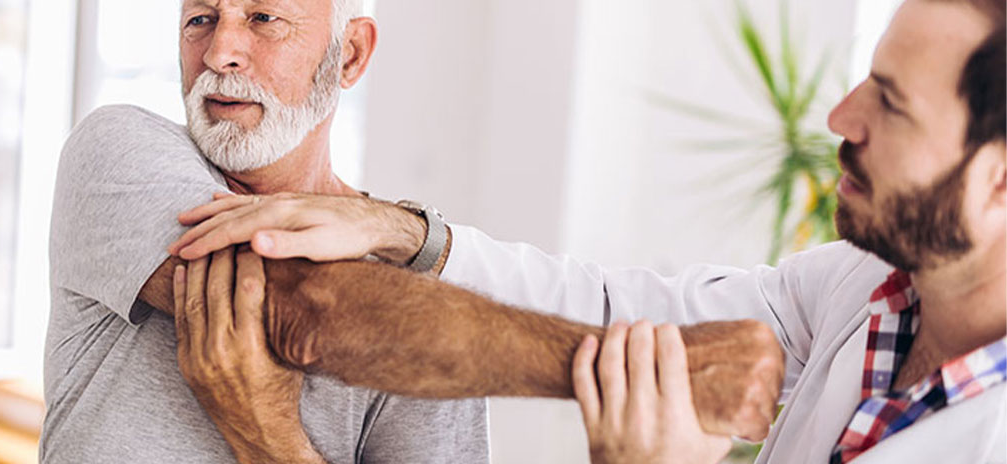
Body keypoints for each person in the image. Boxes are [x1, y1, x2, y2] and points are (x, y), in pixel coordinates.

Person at [165, 0, 1007, 462]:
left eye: (891, 103)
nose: (840, 115)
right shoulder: (862, 288)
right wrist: (405, 234)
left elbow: (308, 306)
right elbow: (619, 307)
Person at [41, 1, 493, 463]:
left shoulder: (424, 290)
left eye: (263, 18)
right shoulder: (118, 151)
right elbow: (288, 304)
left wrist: (271, 439)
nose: (219, 55)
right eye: (201, 19)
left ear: (350, 54)